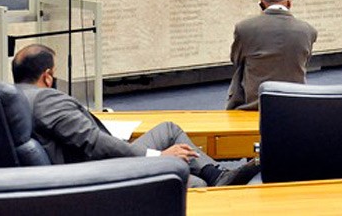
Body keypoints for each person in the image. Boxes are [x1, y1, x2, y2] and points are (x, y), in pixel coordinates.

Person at [13, 44, 258, 187]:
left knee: (169, 130)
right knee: (197, 186)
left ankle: (217, 175)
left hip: (89, 161)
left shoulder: (16, 98)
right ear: (47, 76)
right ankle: (211, 180)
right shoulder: (46, 99)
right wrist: (158, 157)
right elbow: (94, 143)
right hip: (101, 171)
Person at [226, 0, 318, 110]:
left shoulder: (244, 28)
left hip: (253, 106)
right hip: (295, 102)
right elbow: (302, 62)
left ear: (262, 2)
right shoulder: (308, 30)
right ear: (289, 2)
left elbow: (236, 60)